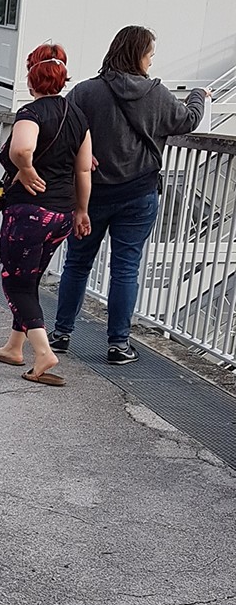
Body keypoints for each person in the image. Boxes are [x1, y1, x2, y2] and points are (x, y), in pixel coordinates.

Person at [51, 26, 209, 363]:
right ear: (139, 56)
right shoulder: (157, 94)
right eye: (150, 54)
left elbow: (61, 126)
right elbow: (189, 120)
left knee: (77, 264)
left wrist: (81, 155)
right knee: (125, 268)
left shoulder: (86, 93)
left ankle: (61, 334)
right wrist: (198, 94)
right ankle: (118, 345)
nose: (151, 61)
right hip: (138, 194)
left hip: (89, 196)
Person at [0, 43, 92, 387]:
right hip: (60, 215)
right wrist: (81, 210)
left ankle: (43, 353)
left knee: (15, 282)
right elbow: (84, 171)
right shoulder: (78, 117)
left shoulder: (31, 114)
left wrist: (26, 168)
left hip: (29, 213)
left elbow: (20, 148)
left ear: (32, 78)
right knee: (29, 280)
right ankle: (14, 348)